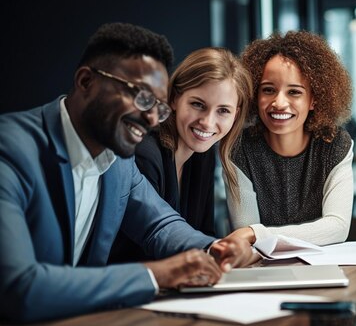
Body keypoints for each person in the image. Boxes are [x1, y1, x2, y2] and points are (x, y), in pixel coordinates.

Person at [0, 23, 253, 323]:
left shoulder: (118, 161)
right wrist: (155, 274)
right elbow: (17, 289)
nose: (150, 118)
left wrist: (215, 248)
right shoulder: (10, 150)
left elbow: (160, 225)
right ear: (86, 81)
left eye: (156, 106)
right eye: (140, 96)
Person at [109, 47, 253, 263]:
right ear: (174, 98)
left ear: (237, 113)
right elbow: (144, 248)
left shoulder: (201, 154)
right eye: (198, 104)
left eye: (223, 110)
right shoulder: (145, 154)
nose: (207, 122)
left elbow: (203, 233)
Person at [225, 31, 354, 246]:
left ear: (314, 99)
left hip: (324, 269)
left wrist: (258, 234)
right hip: (262, 271)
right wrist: (252, 235)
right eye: (268, 90)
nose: (279, 103)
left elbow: (337, 228)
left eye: (294, 92)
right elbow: (243, 232)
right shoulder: (239, 147)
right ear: (255, 96)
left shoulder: (334, 144)